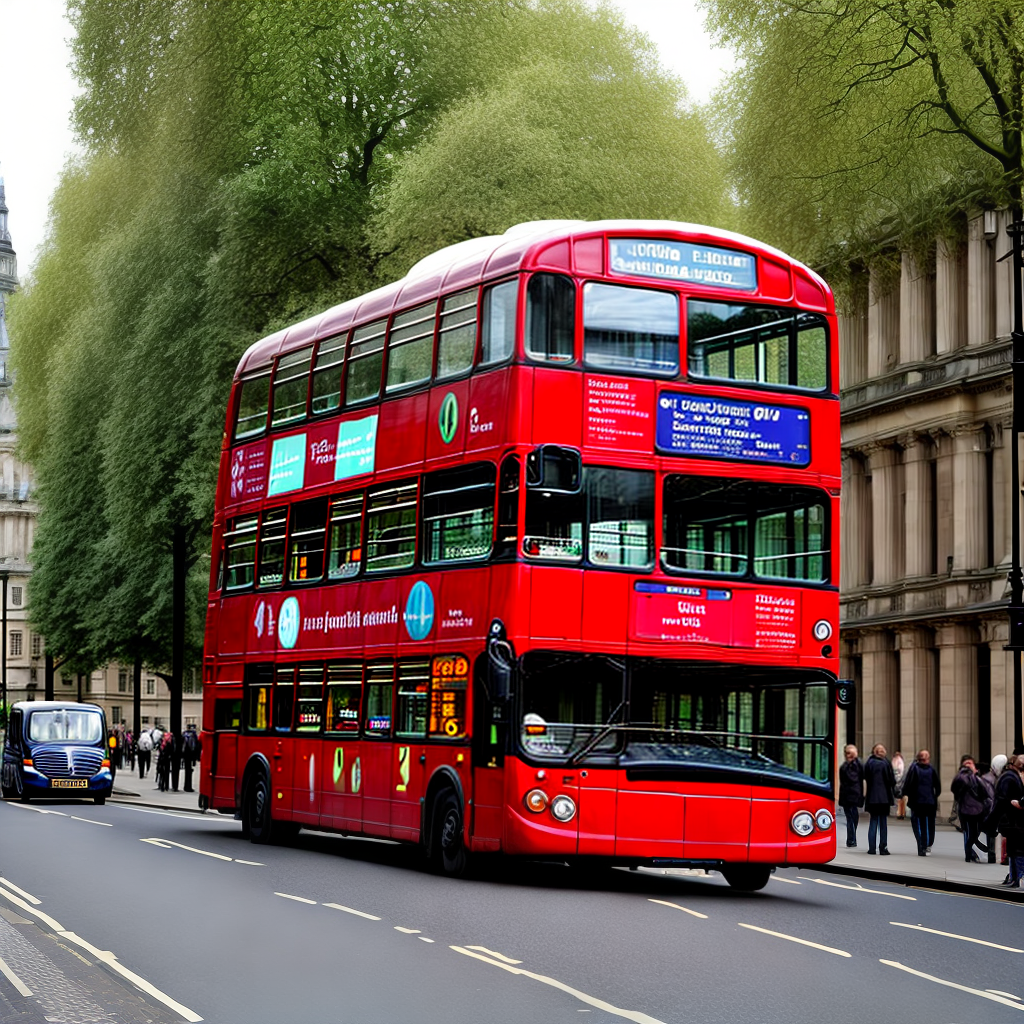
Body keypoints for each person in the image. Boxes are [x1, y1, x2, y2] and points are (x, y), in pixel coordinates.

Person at [985, 754, 1024, 887]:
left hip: (1013, 820)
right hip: (1013, 820)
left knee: (1016, 850)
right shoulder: (1012, 777)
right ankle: (1014, 878)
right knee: (1014, 850)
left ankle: (1015, 878)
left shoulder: (1008, 777)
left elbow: (1001, 802)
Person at [902, 749, 941, 856]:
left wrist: (905, 794)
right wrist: (934, 796)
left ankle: (922, 845)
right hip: (927, 801)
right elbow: (937, 786)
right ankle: (926, 844)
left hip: (919, 801)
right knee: (927, 824)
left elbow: (908, 784)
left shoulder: (915, 768)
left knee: (920, 824)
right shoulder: (930, 769)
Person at [951, 755, 986, 863]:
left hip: (978, 808)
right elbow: (955, 790)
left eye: (970, 763)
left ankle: (972, 849)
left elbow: (983, 790)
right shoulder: (960, 777)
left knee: (975, 831)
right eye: (966, 763)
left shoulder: (976, 776)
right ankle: (969, 853)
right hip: (965, 808)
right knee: (967, 830)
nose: (968, 765)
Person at [863, 743, 896, 855]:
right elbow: (891, 780)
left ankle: (872, 848)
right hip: (884, 798)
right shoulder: (885, 763)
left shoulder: (869, 763)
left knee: (873, 821)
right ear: (881, 753)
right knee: (883, 823)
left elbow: (865, 776)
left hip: (872, 797)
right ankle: (883, 848)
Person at [978, 755, 1005, 864]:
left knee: (993, 833)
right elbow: (988, 797)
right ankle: (992, 853)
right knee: (992, 833)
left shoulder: (995, 778)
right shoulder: (988, 779)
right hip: (992, 810)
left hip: (995, 810)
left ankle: (993, 853)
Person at [838, 744, 864, 847]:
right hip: (847, 796)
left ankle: (852, 839)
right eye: (848, 753)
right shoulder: (845, 767)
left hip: (855, 795)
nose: (850, 755)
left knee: (854, 817)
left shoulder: (857, 765)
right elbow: (851, 778)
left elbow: (862, 775)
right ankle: (851, 840)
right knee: (850, 817)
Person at [181, 724, 201, 793]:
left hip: (185, 755)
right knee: (189, 771)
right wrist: (196, 757)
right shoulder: (194, 735)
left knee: (187, 770)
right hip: (191, 755)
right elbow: (197, 747)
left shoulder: (183, 734)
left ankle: (186, 786)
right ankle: (188, 787)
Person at [892, 751, 907, 819]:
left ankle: (899, 812)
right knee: (901, 798)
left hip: (897, 781)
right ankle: (901, 812)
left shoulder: (894, 761)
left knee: (899, 798)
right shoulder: (900, 761)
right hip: (900, 781)